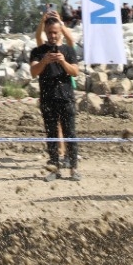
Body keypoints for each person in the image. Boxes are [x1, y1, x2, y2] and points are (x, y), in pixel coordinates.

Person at [30, 12, 81, 181]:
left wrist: (62, 62)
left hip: (66, 98)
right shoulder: (38, 51)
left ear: (60, 32)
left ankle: (73, 168)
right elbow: (33, 72)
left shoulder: (68, 50)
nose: (52, 35)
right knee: (51, 135)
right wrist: (44, 62)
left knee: (70, 133)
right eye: (50, 32)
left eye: (55, 32)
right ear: (45, 31)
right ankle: (54, 169)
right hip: (48, 98)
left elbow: (75, 71)